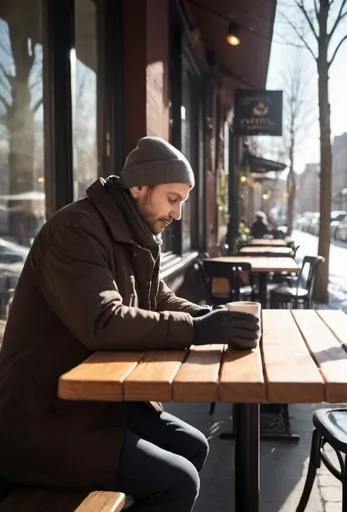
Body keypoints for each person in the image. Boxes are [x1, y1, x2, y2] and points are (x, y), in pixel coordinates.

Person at [0, 137, 260, 511]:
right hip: (41, 417)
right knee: (177, 482)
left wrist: (206, 315)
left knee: (192, 445)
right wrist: (202, 330)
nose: (178, 214)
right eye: (173, 199)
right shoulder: (75, 230)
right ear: (139, 187)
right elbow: (103, 322)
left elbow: (159, 299)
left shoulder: (137, 231)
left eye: (182, 202)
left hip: (99, 404)